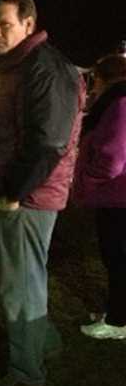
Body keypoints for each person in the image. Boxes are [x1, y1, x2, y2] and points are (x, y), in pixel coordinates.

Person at [0, 0, 85, 386]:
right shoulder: (10, 67)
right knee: (6, 281)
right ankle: (42, 343)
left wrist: (13, 193)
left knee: (19, 288)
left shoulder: (45, 69)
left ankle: (26, 373)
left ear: (28, 23)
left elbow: (48, 141)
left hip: (24, 199)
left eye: (5, 25)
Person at [73, 54, 126, 339]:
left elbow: (112, 159)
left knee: (118, 260)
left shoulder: (119, 104)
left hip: (117, 197)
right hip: (117, 196)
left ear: (103, 78)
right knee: (116, 259)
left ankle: (119, 322)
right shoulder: (117, 102)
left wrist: (87, 182)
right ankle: (116, 311)